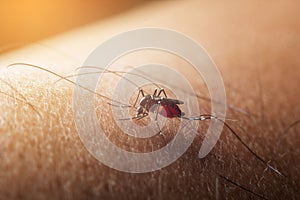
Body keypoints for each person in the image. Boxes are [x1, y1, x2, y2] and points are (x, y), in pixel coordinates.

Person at [0, 1, 299, 199]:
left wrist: (160, 109)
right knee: (154, 98)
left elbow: (153, 103)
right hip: (166, 105)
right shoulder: (148, 102)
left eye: (142, 108)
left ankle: (191, 116)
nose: (142, 109)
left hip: (169, 105)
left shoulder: (155, 103)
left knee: (159, 100)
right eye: (142, 109)